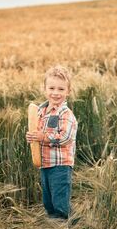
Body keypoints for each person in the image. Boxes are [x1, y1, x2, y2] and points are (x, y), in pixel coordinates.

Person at [26, 65, 78, 220]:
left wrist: (44, 137)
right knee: (48, 200)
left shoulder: (65, 113)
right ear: (45, 89)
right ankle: (53, 224)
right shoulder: (40, 111)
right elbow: (38, 132)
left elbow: (65, 137)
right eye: (52, 88)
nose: (55, 93)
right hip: (45, 164)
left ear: (68, 91)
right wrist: (32, 137)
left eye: (61, 89)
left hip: (60, 165)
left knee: (59, 199)